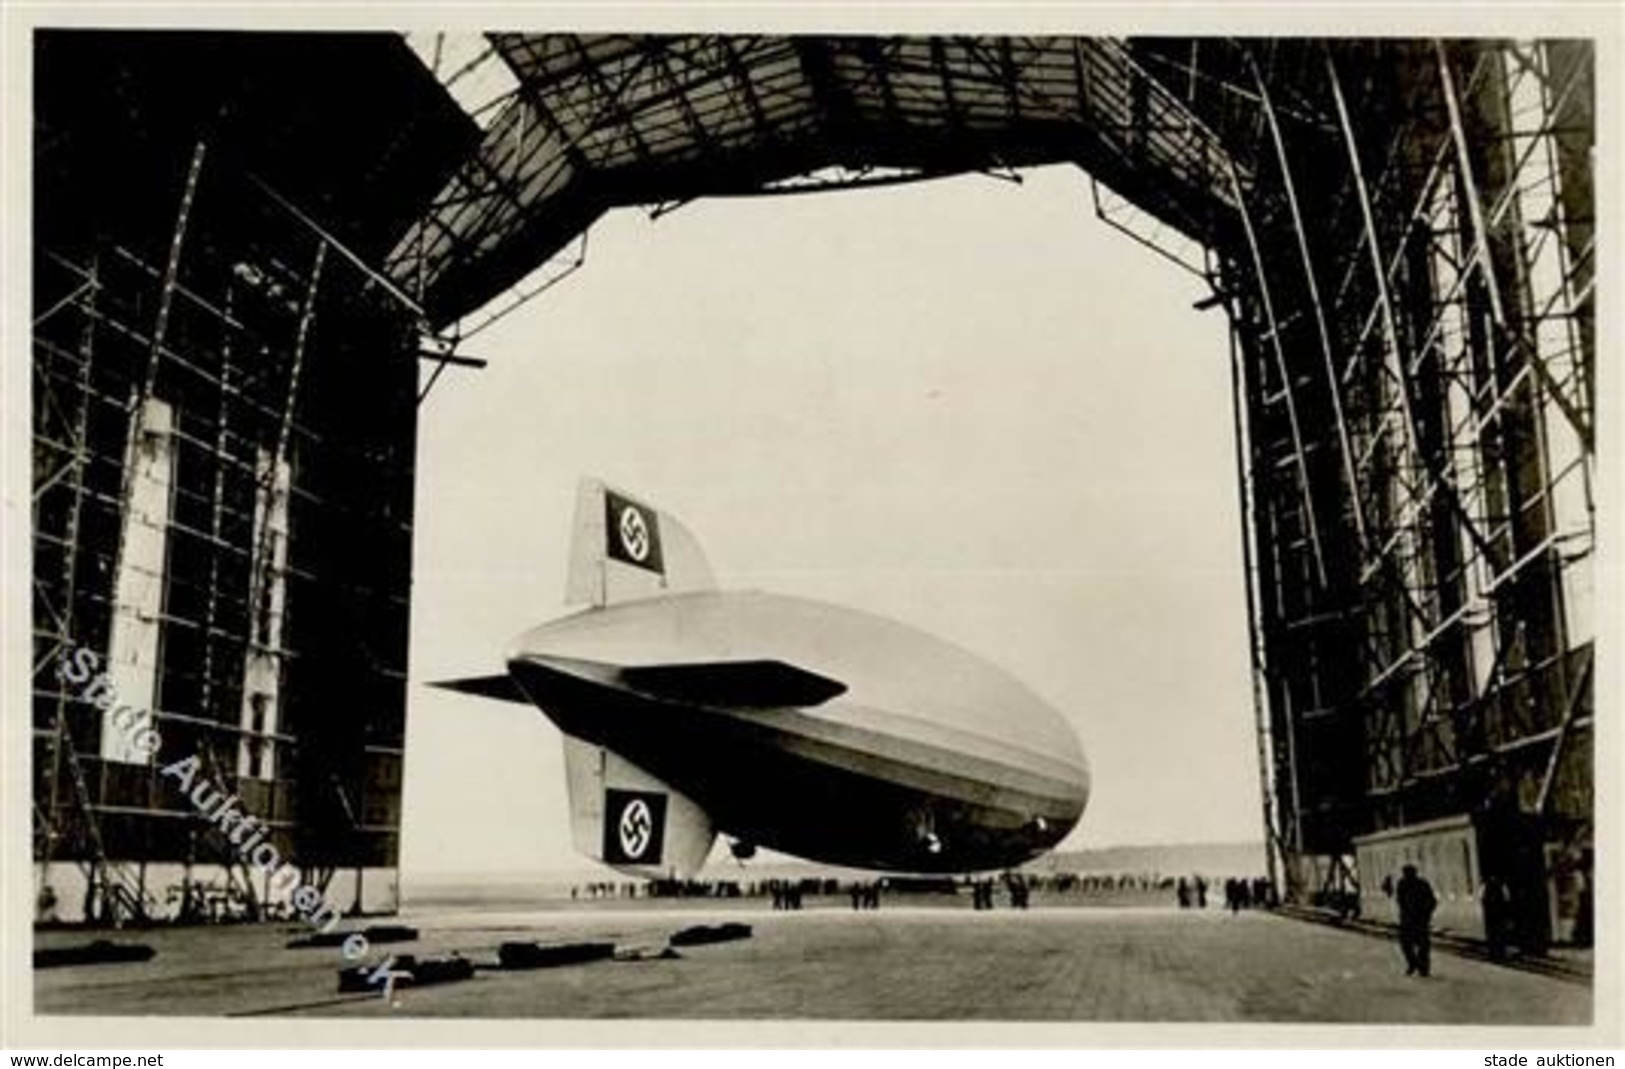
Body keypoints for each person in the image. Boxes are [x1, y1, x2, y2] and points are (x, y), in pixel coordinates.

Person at [1395, 864, 1438, 977]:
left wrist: (1425, 913)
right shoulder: (1417, 884)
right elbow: (1432, 901)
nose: (1406, 875)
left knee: (1410, 945)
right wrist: (1427, 914)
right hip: (1415, 920)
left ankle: (1417, 965)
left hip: (1414, 920)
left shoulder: (1405, 884)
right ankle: (1419, 966)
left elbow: (1431, 901)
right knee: (1420, 945)